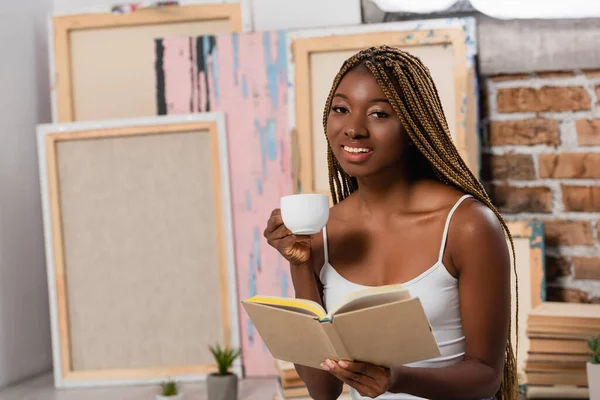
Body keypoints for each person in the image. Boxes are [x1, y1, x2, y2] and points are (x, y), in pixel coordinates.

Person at [264, 45, 518, 400]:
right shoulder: (323, 232)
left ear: (414, 125)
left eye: (379, 114)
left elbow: (487, 375)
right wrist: (301, 268)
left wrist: (397, 379)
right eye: (341, 109)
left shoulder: (467, 225)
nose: (353, 129)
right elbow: (324, 390)